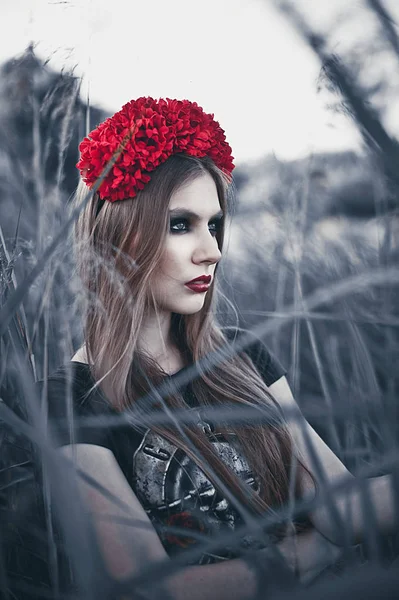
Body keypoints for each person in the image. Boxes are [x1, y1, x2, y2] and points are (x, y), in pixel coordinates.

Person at [37, 97, 397, 599]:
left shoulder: (242, 359)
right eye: (180, 224)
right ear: (117, 233)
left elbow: (338, 503)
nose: (213, 250)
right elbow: (146, 588)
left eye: (214, 224)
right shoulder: (71, 398)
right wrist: (316, 551)